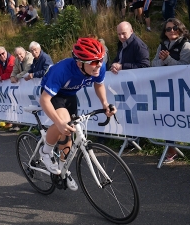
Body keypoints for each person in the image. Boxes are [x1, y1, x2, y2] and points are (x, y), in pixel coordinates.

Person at [39, 37, 117, 191]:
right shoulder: (61, 71)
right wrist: (59, 123)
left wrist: (105, 104)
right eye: (93, 62)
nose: (99, 65)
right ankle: (45, 152)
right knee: (64, 123)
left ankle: (62, 170)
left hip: (70, 95)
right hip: (53, 96)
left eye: (101, 60)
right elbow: (44, 100)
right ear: (79, 62)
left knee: (69, 133)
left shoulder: (98, 67)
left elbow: (99, 85)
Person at [152, 18, 190, 163]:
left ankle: (185, 146)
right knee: (167, 119)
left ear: (180, 28)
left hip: (181, 89)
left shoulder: (186, 45)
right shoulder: (162, 45)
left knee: (178, 119)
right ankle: (171, 148)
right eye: (168, 29)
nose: (171, 31)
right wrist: (163, 61)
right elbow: (154, 63)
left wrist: (168, 59)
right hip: (164, 88)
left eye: (174, 27)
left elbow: (184, 66)